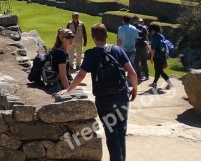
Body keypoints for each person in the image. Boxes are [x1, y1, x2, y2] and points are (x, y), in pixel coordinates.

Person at [67, 23, 138, 161]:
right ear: (106, 35)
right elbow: (132, 73)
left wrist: (69, 91)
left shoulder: (91, 54)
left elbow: (81, 75)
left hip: (104, 99)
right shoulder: (118, 50)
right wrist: (134, 89)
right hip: (121, 96)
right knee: (121, 131)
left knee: (111, 132)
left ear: (93, 37)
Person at [148, 24, 172, 90]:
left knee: (160, 70)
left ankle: (169, 83)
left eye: (150, 30)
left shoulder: (153, 37)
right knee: (157, 69)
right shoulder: (161, 36)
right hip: (162, 56)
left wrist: (151, 58)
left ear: (152, 30)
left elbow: (153, 49)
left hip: (157, 56)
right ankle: (154, 83)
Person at [134, 17, 150, 82]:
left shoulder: (133, 28)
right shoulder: (144, 28)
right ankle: (147, 75)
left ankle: (139, 76)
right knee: (144, 61)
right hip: (143, 46)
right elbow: (147, 38)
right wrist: (147, 45)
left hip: (136, 46)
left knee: (136, 62)